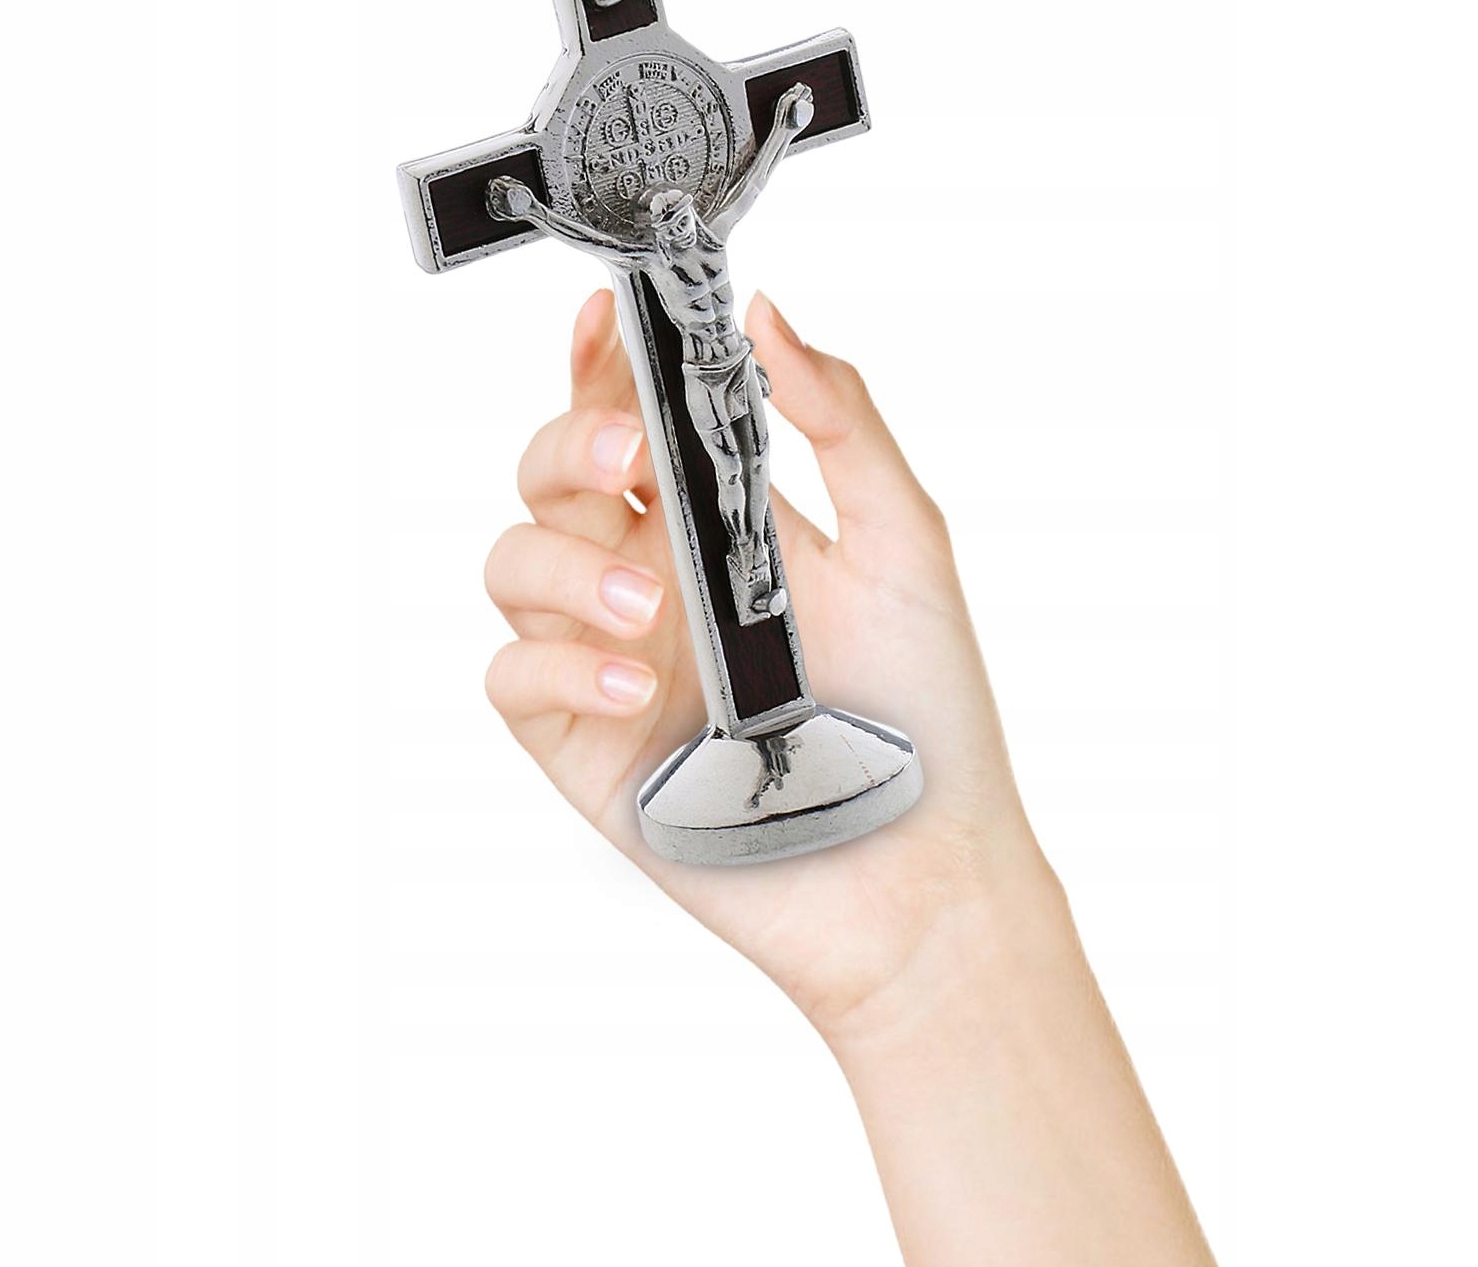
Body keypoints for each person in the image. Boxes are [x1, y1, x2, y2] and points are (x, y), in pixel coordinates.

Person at [481, 286, 1218, 1265]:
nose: (676, 225)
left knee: (742, 499)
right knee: (728, 507)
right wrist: (936, 963)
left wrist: (953, 932)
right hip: (710, 408)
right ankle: (744, 665)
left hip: (731, 405)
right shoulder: (677, 257)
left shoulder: (702, 256)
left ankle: (754, 637)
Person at [487, 82, 815, 621]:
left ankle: (755, 555)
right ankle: (744, 548)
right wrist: (534, 213)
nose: (681, 228)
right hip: (705, 375)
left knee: (759, 460)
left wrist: (785, 128)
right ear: (658, 233)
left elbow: (753, 183)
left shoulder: (715, 237)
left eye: (684, 216)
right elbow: (597, 242)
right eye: (670, 225)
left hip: (738, 361)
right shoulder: (656, 262)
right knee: (730, 472)